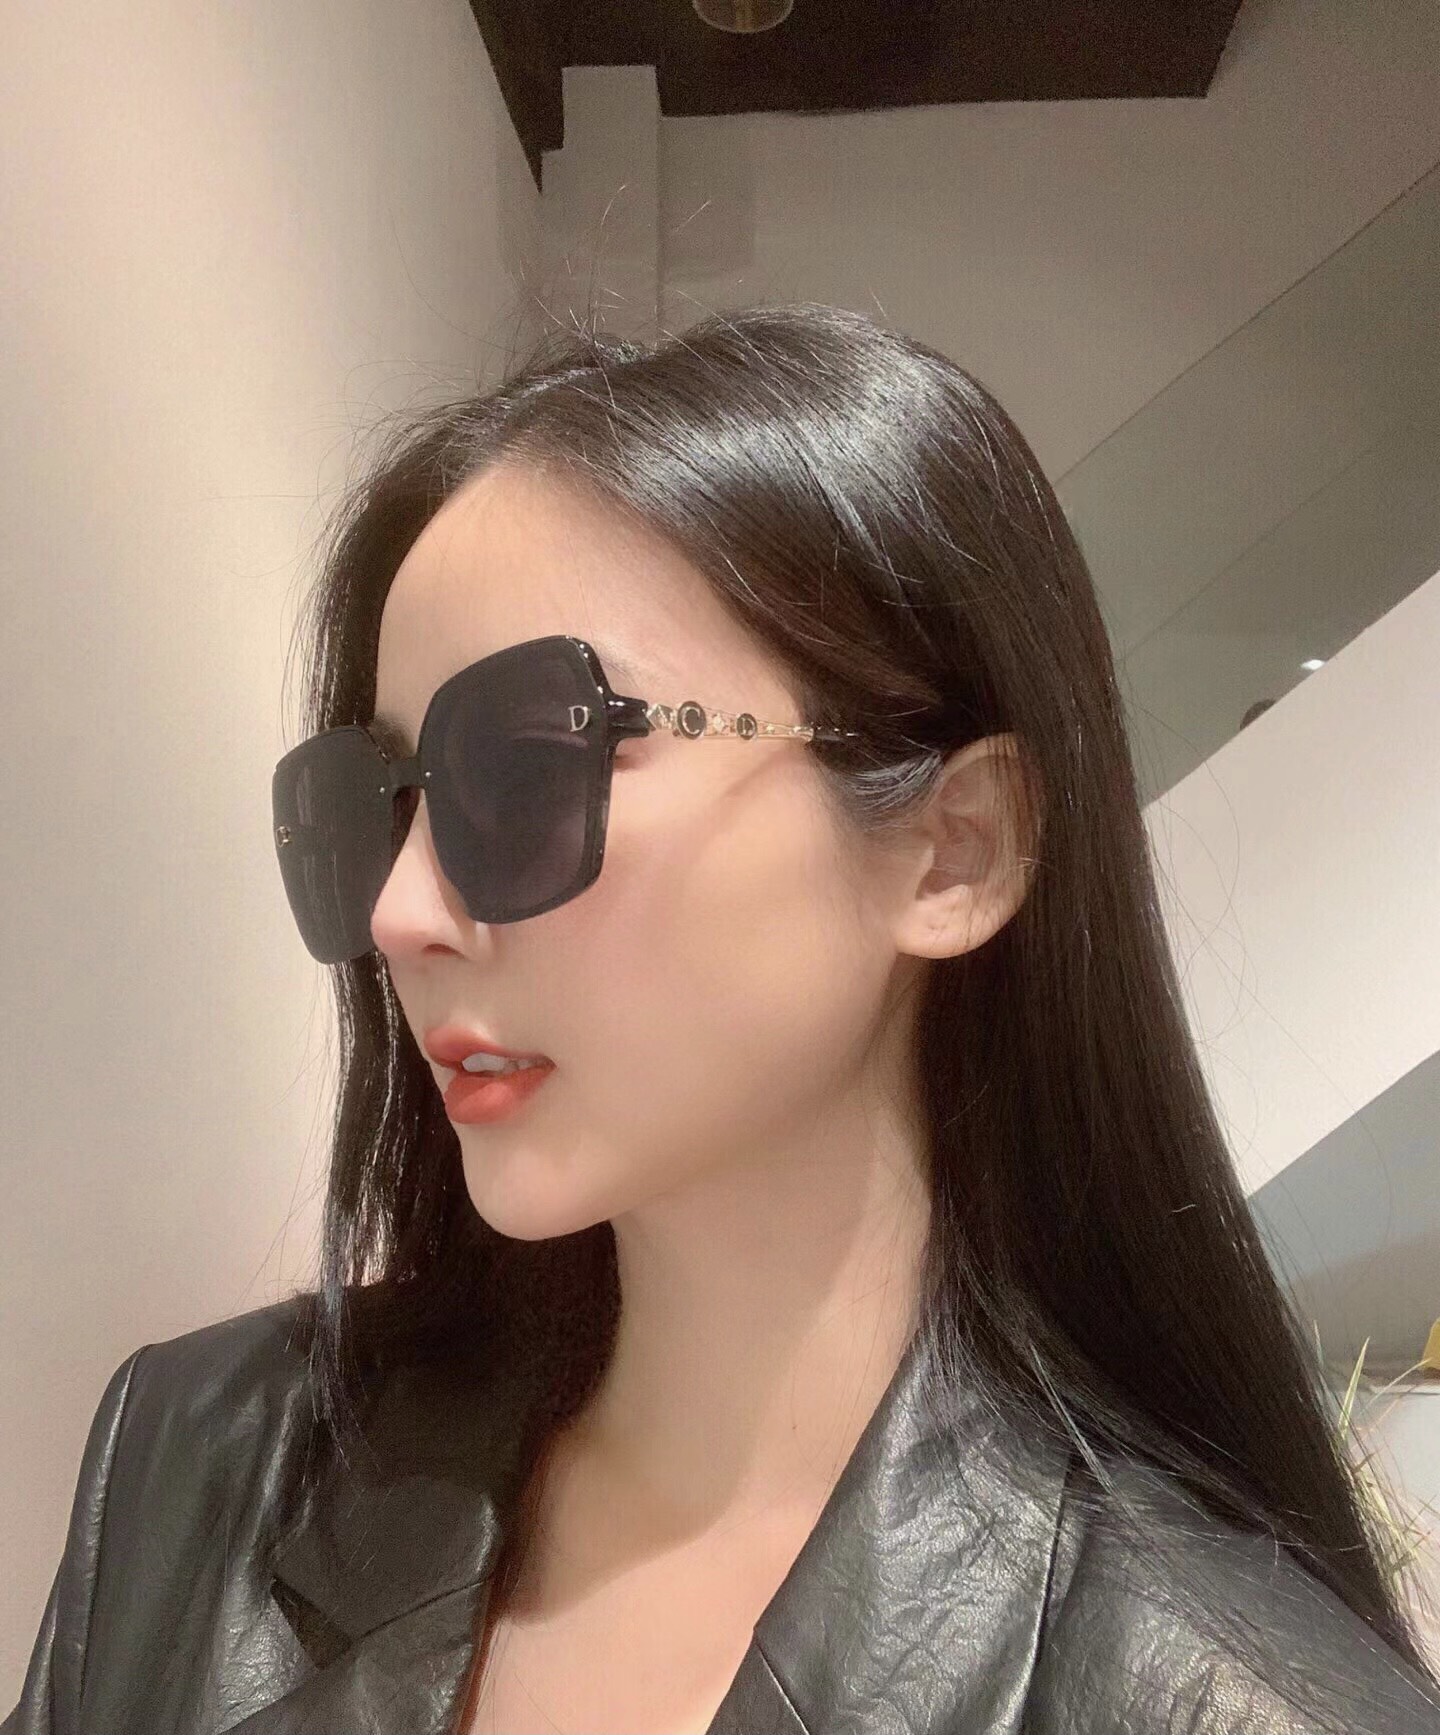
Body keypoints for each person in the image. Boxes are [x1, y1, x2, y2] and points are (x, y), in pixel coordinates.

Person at [6, 302, 1439, 1735]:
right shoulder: (196, 1473)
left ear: (954, 852)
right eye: (376, 806)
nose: (400, 912)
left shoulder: (1220, 1703)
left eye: (527, 768)